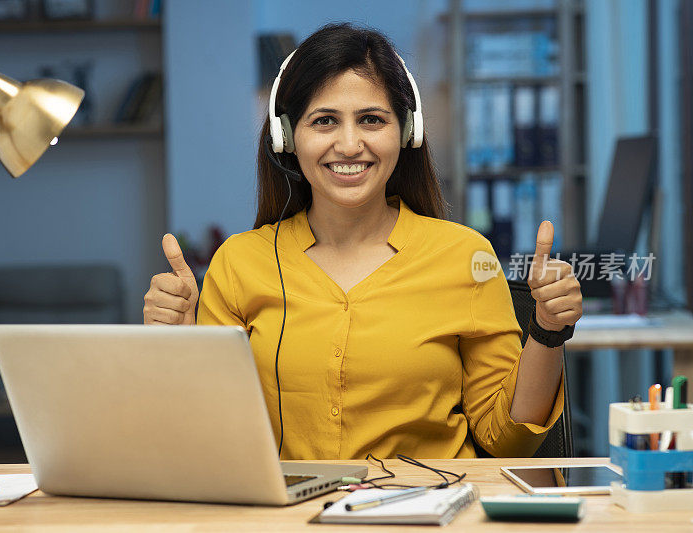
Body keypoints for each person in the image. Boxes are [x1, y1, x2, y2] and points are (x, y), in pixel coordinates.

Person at [143, 23, 582, 460]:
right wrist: (180, 349)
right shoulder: (240, 262)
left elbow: (508, 439)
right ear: (287, 136)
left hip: (427, 516)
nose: (350, 145)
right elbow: (210, 443)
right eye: (324, 121)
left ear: (408, 131)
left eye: (371, 119)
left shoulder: (464, 256)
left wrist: (546, 331)